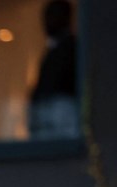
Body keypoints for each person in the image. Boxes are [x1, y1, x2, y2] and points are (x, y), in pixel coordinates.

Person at [28, 0, 78, 139]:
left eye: (53, 15)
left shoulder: (69, 50)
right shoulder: (54, 51)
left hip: (60, 127)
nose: (47, 21)